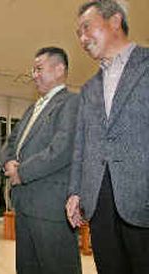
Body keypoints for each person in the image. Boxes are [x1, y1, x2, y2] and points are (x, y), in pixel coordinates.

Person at [66, 1, 149, 273]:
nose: (82, 38)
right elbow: (81, 145)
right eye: (78, 33)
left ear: (115, 21)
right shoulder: (89, 88)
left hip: (142, 198)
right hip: (99, 204)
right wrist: (76, 192)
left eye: (86, 28)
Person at [2, 47, 81, 274]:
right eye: (33, 70)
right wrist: (8, 162)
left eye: (39, 69)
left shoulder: (72, 102)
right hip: (25, 203)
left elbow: (62, 149)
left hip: (51, 206)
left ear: (59, 70)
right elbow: (11, 141)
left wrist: (21, 172)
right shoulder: (32, 108)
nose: (34, 74)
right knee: (27, 268)